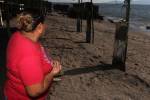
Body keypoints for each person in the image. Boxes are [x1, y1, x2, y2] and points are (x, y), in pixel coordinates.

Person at [4, 11, 62, 100]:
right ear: (40, 27)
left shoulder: (19, 35)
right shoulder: (29, 54)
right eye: (44, 24)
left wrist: (49, 63)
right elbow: (35, 92)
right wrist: (51, 74)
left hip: (12, 91)